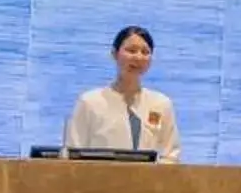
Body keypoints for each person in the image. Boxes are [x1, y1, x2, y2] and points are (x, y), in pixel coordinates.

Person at [65, 26, 182, 159]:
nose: (138, 57)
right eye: (131, 51)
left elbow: (171, 155)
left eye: (145, 52)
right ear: (114, 54)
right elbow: (72, 154)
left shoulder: (161, 104)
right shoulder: (90, 102)